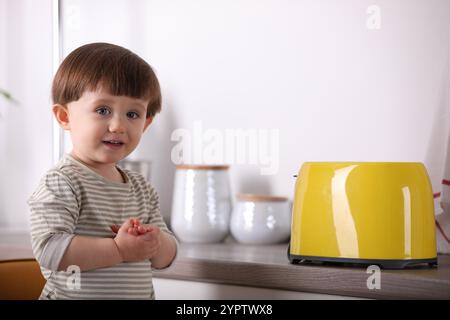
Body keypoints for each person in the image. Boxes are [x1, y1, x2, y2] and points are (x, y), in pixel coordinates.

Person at [28, 42, 177, 299]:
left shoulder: (142, 189)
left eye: (132, 114)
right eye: (102, 110)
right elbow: (50, 250)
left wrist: (157, 242)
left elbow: (165, 258)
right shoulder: (62, 182)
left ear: (146, 123)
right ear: (65, 117)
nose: (118, 125)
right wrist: (119, 250)